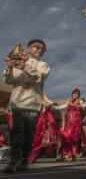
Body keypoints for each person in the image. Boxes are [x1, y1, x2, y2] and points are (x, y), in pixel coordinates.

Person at [3, 39, 50, 173]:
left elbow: (40, 76)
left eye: (43, 49)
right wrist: (10, 67)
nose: (40, 50)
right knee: (17, 131)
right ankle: (14, 160)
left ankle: (24, 160)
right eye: (37, 47)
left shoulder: (43, 65)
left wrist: (25, 67)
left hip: (33, 103)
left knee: (29, 134)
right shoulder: (19, 61)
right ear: (28, 49)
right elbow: (9, 80)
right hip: (18, 102)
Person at [55, 88, 86, 161]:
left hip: (76, 125)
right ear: (72, 95)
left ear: (79, 95)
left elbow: (84, 107)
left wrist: (74, 105)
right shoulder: (69, 102)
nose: (75, 94)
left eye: (77, 93)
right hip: (68, 124)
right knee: (65, 139)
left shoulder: (80, 101)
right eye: (74, 93)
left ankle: (73, 156)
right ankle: (63, 155)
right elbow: (61, 107)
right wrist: (53, 107)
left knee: (74, 140)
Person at [28, 93, 59, 162]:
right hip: (39, 123)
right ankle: (32, 156)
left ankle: (35, 156)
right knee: (37, 140)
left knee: (45, 140)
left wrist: (46, 98)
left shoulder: (48, 102)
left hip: (47, 124)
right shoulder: (37, 102)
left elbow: (52, 104)